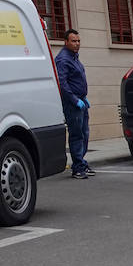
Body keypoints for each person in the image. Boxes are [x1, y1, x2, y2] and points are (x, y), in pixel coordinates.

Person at [55, 29, 92, 177]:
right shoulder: (63, 59)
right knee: (77, 134)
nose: (77, 44)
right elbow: (62, 83)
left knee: (84, 133)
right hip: (73, 103)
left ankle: (81, 163)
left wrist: (83, 98)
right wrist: (75, 99)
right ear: (66, 42)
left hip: (81, 100)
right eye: (73, 41)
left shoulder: (74, 57)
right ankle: (78, 168)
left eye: (78, 41)